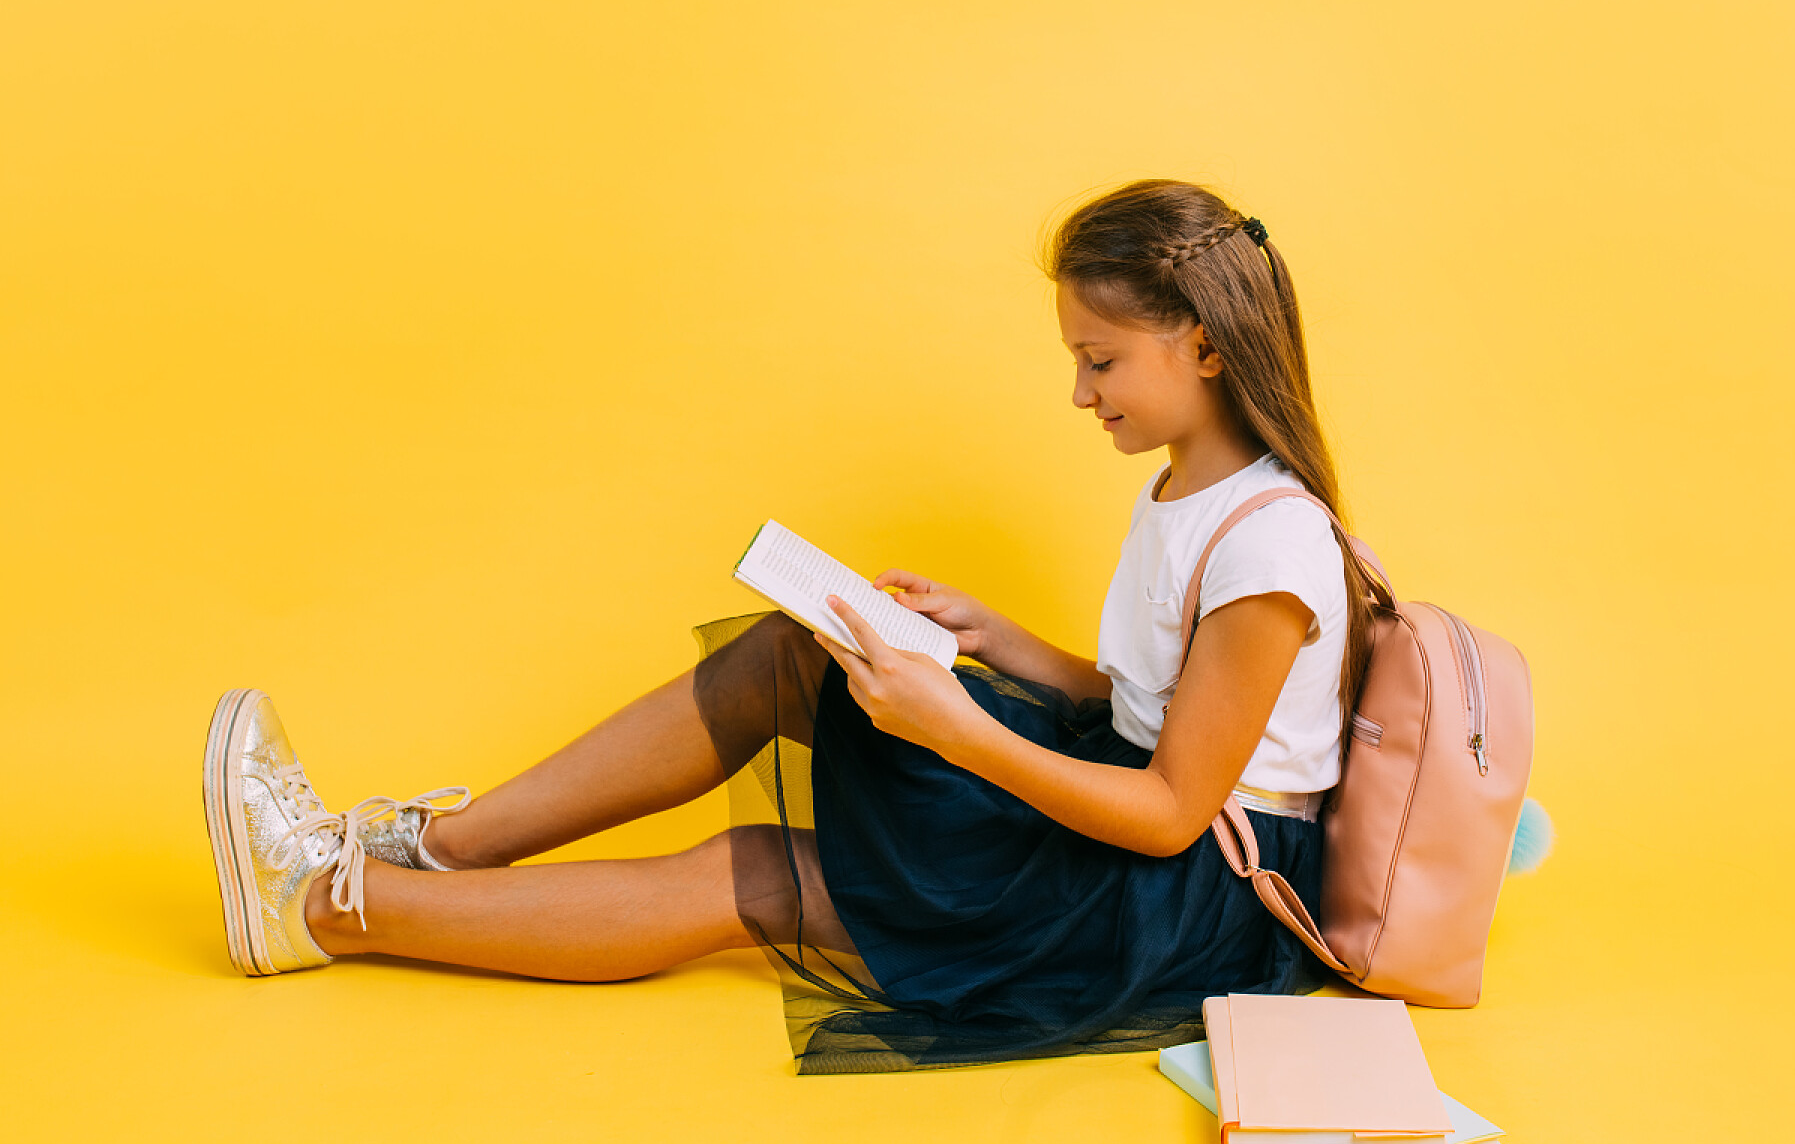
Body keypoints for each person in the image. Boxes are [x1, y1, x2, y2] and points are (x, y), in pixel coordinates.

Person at [201, 178, 1381, 1074]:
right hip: (1138, 821)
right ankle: (431, 849)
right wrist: (998, 639)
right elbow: (1148, 706)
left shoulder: (1270, 548)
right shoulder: (1191, 486)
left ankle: (319, 907)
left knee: (757, 874)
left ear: (1207, 347)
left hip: (1188, 899)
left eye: (1100, 360)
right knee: (790, 652)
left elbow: (1177, 806)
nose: (1081, 393)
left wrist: (956, 727)